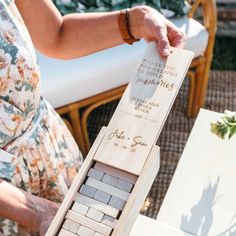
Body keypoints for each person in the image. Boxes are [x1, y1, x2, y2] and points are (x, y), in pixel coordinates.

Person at [0, 0, 185, 235]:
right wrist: (40, 213)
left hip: (47, 146)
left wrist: (136, 21)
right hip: (9, 204)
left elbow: (57, 35)